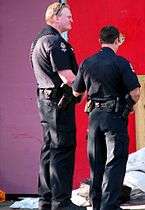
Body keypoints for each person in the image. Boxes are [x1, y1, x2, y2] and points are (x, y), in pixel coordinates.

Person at [72, 25, 141, 210]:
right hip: (114, 117)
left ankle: (96, 205)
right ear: (117, 40)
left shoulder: (87, 62)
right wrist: (128, 106)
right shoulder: (121, 63)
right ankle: (109, 206)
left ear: (100, 41)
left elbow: (76, 91)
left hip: (94, 119)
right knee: (115, 162)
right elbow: (135, 92)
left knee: (96, 164)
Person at [30, 2, 85, 210]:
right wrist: (84, 87)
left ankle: (46, 200)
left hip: (45, 101)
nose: (72, 20)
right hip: (58, 103)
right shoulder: (55, 42)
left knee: (49, 149)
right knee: (62, 149)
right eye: (68, 16)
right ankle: (61, 202)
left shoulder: (37, 40)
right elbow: (68, 77)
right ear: (54, 17)